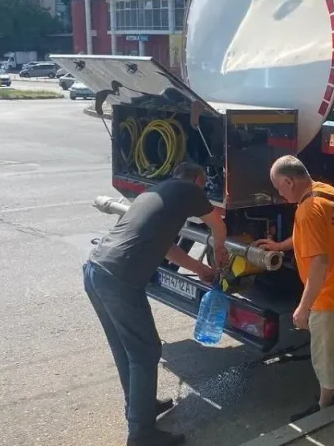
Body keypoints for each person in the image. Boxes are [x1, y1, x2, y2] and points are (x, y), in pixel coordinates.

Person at [83, 162, 228, 446]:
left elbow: (167, 247)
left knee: (127, 350)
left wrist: (199, 268)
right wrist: (219, 253)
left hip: (95, 269)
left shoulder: (155, 192)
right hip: (120, 279)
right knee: (146, 352)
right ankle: (142, 434)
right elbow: (217, 225)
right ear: (198, 180)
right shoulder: (190, 189)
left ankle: (141, 409)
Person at [254, 155, 334, 422]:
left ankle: (324, 406)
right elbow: (311, 233)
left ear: (288, 181)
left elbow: (319, 263)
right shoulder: (324, 191)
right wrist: (280, 246)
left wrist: (303, 308)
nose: (280, 194)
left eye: (279, 188)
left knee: (327, 354)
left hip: (330, 295)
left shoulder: (306, 210)